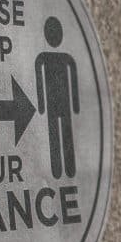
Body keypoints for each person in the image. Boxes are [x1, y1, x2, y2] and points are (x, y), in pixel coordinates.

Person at [35, 17, 79, 179]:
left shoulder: (66, 59)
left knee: (66, 135)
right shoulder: (43, 57)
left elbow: (73, 81)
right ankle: (57, 169)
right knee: (55, 135)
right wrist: (41, 105)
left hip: (63, 105)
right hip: (53, 106)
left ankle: (69, 168)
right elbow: (39, 80)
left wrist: (75, 106)